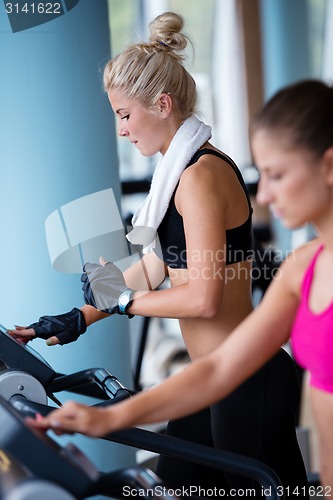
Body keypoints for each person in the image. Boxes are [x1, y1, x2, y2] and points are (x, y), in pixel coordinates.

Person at [13, 12, 308, 496]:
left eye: (125, 115)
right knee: (166, 488)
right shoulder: (173, 175)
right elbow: (155, 268)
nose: (122, 131)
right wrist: (78, 317)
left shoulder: (198, 177)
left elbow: (203, 299)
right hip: (212, 379)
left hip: (246, 382)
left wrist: (122, 303)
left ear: (162, 104)